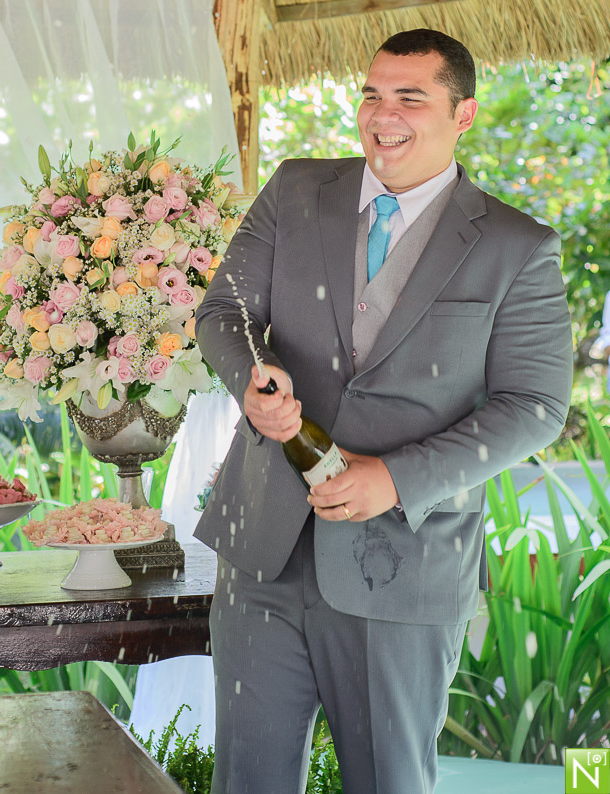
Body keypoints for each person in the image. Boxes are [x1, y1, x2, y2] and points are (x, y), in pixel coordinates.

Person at [193, 29, 572, 793]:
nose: (383, 115)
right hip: (261, 548)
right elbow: (222, 310)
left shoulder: (516, 247)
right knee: (247, 782)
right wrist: (253, 379)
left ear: (462, 114)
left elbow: (535, 407)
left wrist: (393, 480)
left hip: (404, 567)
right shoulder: (296, 189)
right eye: (372, 94)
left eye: (410, 97)